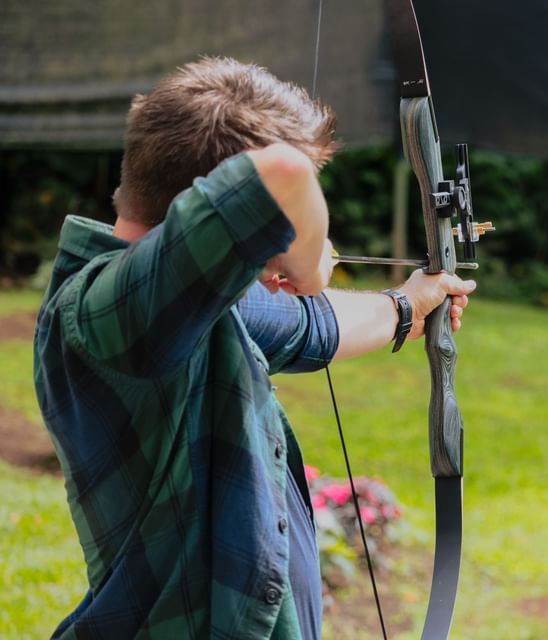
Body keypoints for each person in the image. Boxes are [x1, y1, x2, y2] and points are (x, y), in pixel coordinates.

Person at [33, 56, 476, 639]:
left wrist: (405, 307)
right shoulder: (101, 316)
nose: (279, 272)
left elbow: (309, 325)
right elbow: (282, 172)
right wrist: (311, 262)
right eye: (271, 240)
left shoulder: (197, 304)